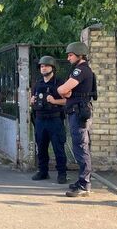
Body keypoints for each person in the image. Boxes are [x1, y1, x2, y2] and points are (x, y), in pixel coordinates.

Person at [57, 42, 96, 197]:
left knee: (81, 146)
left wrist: (63, 90)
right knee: (80, 146)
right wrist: (66, 92)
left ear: (80, 55)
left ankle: (84, 184)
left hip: (79, 112)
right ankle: (82, 181)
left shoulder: (81, 70)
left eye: (70, 55)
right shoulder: (80, 70)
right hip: (77, 111)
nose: (68, 58)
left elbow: (63, 89)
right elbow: (66, 92)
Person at [30, 55, 68, 184]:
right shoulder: (38, 84)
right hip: (40, 120)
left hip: (55, 119)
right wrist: (32, 101)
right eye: (42, 66)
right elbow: (34, 101)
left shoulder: (60, 83)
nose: (44, 68)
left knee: (58, 147)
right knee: (41, 147)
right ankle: (43, 171)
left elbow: (67, 101)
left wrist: (54, 101)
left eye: (46, 66)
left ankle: (62, 173)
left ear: (53, 68)